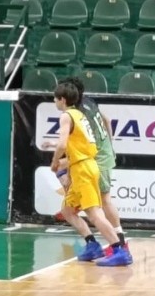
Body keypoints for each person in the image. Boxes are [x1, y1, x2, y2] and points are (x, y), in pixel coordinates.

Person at [46, 82, 132, 266]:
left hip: (83, 169)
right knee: (67, 211)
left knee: (94, 213)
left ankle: (119, 248)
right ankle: (92, 244)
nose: (53, 101)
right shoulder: (81, 114)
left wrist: (55, 162)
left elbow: (63, 145)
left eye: (55, 98)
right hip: (83, 167)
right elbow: (77, 142)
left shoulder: (66, 116)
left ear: (62, 100)